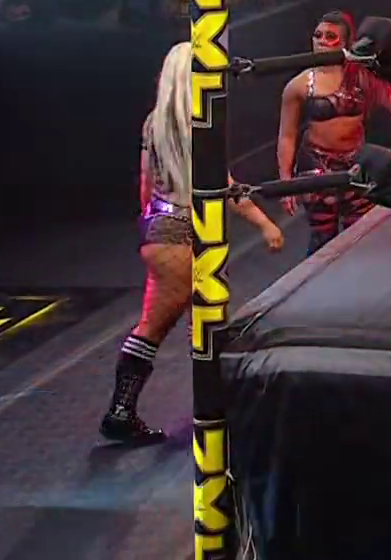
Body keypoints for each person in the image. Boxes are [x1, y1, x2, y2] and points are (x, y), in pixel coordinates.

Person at [101, 43, 284, 444]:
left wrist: (150, 225)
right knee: (167, 325)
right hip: (179, 230)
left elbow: (145, 182)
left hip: (159, 226)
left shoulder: (154, 122)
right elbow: (225, 185)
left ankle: (211, 405)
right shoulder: (198, 124)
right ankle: (124, 410)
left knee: (199, 322)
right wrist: (265, 223)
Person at [277, 11, 391, 254]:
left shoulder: (363, 76)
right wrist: (285, 183)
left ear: (344, 42)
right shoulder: (298, 86)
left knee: (361, 235)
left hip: (356, 162)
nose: (321, 41)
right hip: (316, 165)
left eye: (330, 36)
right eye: (318, 35)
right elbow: (287, 136)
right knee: (322, 238)